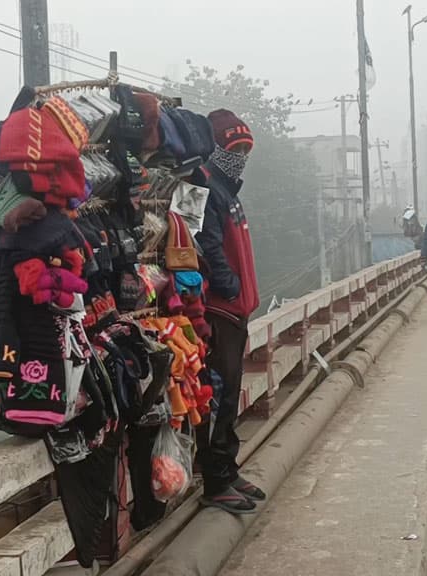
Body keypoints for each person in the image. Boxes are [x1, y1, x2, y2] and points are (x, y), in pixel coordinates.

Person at [194, 109, 266, 515]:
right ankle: (216, 481)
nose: (239, 156)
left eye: (245, 150)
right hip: (221, 312)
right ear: (217, 148)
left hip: (237, 312)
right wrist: (230, 287)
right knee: (217, 398)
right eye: (233, 148)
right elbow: (208, 247)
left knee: (230, 397)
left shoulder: (227, 191)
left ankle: (228, 469)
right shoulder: (207, 190)